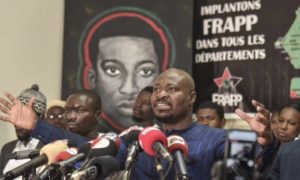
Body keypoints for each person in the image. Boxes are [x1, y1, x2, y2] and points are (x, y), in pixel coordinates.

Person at [0, 68, 272, 179]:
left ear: (191, 98)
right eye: (157, 89)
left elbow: (246, 170)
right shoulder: (136, 137)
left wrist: (263, 141)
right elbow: (87, 147)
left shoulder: (214, 138)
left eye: (172, 89)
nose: (161, 94)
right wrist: (37, 127)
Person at [81, 13, 172, 133]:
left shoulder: (168, 138)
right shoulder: (87, 140)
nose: (128, 89)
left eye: (145, 71)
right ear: (92, 78)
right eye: (113, 70)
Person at [0, 84, 46, 179]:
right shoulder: (7, 148)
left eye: (25, 117)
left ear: (41, 118)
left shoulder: (47, 148)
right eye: (17, 117)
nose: (20, 125)